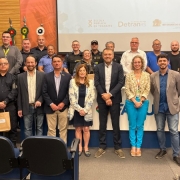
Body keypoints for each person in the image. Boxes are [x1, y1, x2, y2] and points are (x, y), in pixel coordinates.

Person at [94, 48, 125, 158]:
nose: (107, 56)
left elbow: (121, 82)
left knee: (115, 123)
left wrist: (110, 95)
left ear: (113, 56)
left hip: (115, 99)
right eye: (105, 54)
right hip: (102, 99)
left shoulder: (119, 67)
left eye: (109, 54)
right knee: (102, 123)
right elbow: (96, 83)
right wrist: (104, 96)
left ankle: (118, 147)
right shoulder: (97, 67)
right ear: (103, 56)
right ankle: (102, 146)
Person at [150, 54, 180, 166]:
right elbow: (152, 91)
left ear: (168, 62)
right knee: (159, 129)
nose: (162, 62)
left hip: (172, 107)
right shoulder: (153, 76)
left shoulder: (176, 75)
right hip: (159, 107)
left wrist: (173, 100)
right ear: (157, 63)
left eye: (164, 61)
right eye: (160, 61)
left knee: (174, 131)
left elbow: (179, 90)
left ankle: (176, 154)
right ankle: (162, 149)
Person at [42, 55, 71, 143]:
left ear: (62, 63)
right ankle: (52, 149)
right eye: (54, 61)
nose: (56, 63)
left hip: (63, 107)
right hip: (50, 107)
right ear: (51, 64)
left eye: (58, 61)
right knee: (51, 130)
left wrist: (64, 103)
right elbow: (44, 92)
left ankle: (62, 150)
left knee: (63, 129)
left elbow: (70, 92)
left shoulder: (68, 76)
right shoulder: (46, 76)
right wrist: (51, 104)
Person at [125, 55, 150, 157]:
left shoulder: (147, 75)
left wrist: (141, 100)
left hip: (143, 102)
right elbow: (127, 89)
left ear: (142, 63)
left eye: (139, 62)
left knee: (140, 126)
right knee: (132, 125)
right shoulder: (129, 75)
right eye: (135, 62)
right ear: (133, 63)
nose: (137, 64)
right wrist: (135, 101)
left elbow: (147, 89)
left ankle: (138, 146)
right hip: (131, 102)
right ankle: (133, 146)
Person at [68, 64, 95, 157]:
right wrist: (80, 109)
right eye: (80, 70)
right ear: (77, 72)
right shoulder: (72, 82)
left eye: (84, 70)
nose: (82, 72)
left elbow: (92, 97)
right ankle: (79, 147)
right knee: (78, 129)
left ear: (86, 72)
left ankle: (86, 148)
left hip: (87, 110)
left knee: (86, 129)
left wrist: (85, 110)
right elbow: (71, 98)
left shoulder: (91, 82)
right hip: (76, 109)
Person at [17, 55, 45, 138]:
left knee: (39, 128)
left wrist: (40, 100)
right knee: (27, 128)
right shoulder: (20, 77)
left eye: (32, 62)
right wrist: (19, 108)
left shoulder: (42, 75)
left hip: (39, 106)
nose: (30, 64)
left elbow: (45, 91)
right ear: (25, 63)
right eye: (28, 62)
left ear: (36, 63)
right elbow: (19, 94)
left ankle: (39, 146)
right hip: (26, 106)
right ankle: (29, 147)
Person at [0, 58, 17, 147]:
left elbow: (14, 91)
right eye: (1, 64)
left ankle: (12, 150)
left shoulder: (13, 77)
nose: (3, 65)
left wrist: (5, 101)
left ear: (8, 65)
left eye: (5, 63)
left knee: (12, 129)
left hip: (10, 106)